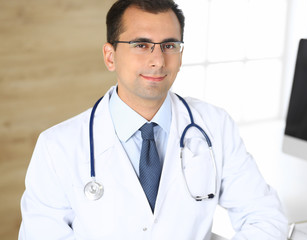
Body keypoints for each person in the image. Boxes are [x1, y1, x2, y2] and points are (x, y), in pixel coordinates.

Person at [19, 0, 288, 239]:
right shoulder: (57, 147)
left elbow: (264, 217)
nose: (158, 60)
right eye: (141, 45)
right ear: (110, 56)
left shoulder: (215, 125)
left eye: (169, 45)